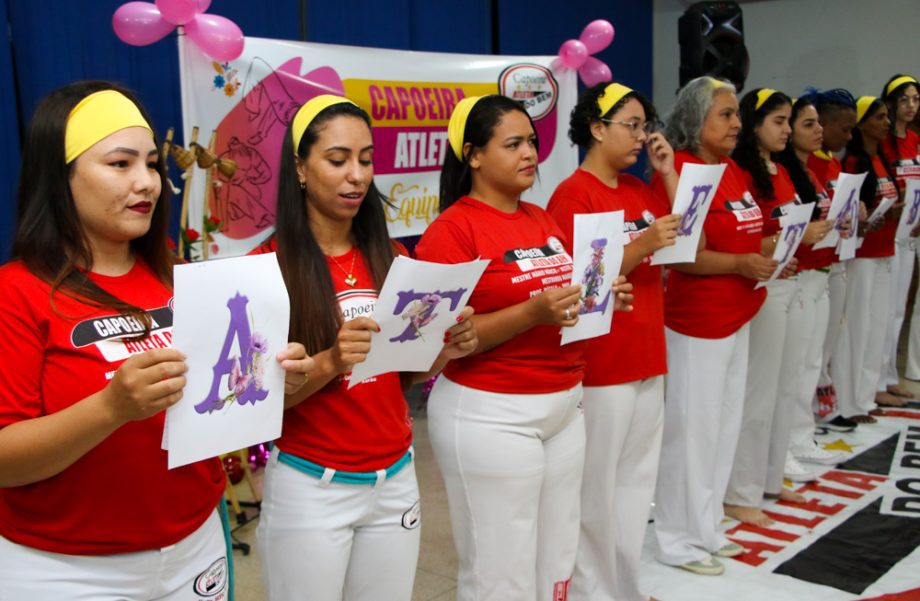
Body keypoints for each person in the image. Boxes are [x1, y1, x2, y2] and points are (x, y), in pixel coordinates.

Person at [0, 81, 312, 599]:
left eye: (150, 163)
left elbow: (219, 406)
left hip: (194, 545)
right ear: (61, 176)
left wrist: (277, 378)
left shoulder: (173, 273)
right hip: (65, 567)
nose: (146, 181)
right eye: (121, 164)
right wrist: (111, 407)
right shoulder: (17, 292)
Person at [254, 95, 477, 601]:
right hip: (312, 486)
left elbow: (405, 374)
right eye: (337, 160)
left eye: (366, 159)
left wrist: (445, 349)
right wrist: (332, 361)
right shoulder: (268, 266)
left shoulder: (392, 255)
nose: (356, 175)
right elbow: (259, 406)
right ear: (301, 168)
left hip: (395, 477)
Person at [415, 94, 632, 601]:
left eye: (531, 142)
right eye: (512, 144)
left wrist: (602, 295)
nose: (529, 153)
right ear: (472, 155)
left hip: (563, 405)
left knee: (556, 558)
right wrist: (531, 313)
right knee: (501, 572)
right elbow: (443, 344)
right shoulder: (451, 231)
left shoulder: (541, 220)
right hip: (492, 413)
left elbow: (568, 299)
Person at [546, 81, 678, 601]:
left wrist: (667, 174)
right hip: (603, 364)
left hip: (647, 353)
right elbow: (580, 280)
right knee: (596, 493)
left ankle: (625, 587)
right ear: (597, 129)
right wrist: (644, 242)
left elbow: (688, 245)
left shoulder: (641, 189)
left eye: (646, 126)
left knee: (633, 489)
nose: (642, 136)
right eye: (632, 125)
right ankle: (590, 593)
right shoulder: (573, 194)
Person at [651, 76, 776, 576]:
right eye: (725, 115)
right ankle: (680, 539)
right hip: (697, 322)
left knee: (722, 429)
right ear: (695, 119)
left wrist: (773, 247)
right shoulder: (680, 170)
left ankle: (707, 528)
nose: (736, 124)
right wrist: (741, 265)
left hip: (737, 315)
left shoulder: (731, 169)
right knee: (692, 433)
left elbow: (749, 232)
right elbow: (683, 258)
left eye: (736, 115)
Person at [724, 88, 829, 526]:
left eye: (790, 121)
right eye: (779, 121)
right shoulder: (745, 175)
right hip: (763, 291)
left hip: (790, 284)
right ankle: (740, 490)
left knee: (785, 386)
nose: (786, 130)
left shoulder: (781, 171)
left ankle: (769, 476)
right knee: (759, 391)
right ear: (754, 125)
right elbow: (746, 241)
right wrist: (791, 242)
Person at [776, 95, 851, 481]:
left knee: (809, 365)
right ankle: (783, 446)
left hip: (821, 274)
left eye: (815, 123)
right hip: (800, 277)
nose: (818, 130)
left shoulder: (813, 170)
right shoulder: (786, 174)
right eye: (807, 125)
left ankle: (802, 437)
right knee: (791, 369)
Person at [836, 96, 900, 423]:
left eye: (887, 117)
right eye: (879, 117)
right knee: (857, 328)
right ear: (862, 124)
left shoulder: (883, 159)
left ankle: (869, 391)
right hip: (861, 255)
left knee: (878, 326)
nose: (886, 123)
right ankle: (852, 399)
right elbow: (851, 210)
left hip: (886, 250)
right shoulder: (854, 162)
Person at [806, 87, 861, 440]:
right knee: (811, 350)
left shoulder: (834, 162)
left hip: (833, 261)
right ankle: (810, 413)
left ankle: (822, 405)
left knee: (825, 345)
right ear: (822, 125)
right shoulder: (805, 163)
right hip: (809, 269)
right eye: (844, 127)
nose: (849, 136)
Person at [879, 75, 920, 396]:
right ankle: (876, 378)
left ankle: (889, 372)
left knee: (897, 309)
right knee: (881, 308)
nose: (910, 105)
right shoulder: (880, 143)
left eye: (915, 99)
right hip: (884, 237)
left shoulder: (916, 141)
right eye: (904, 99)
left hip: (909, 234)